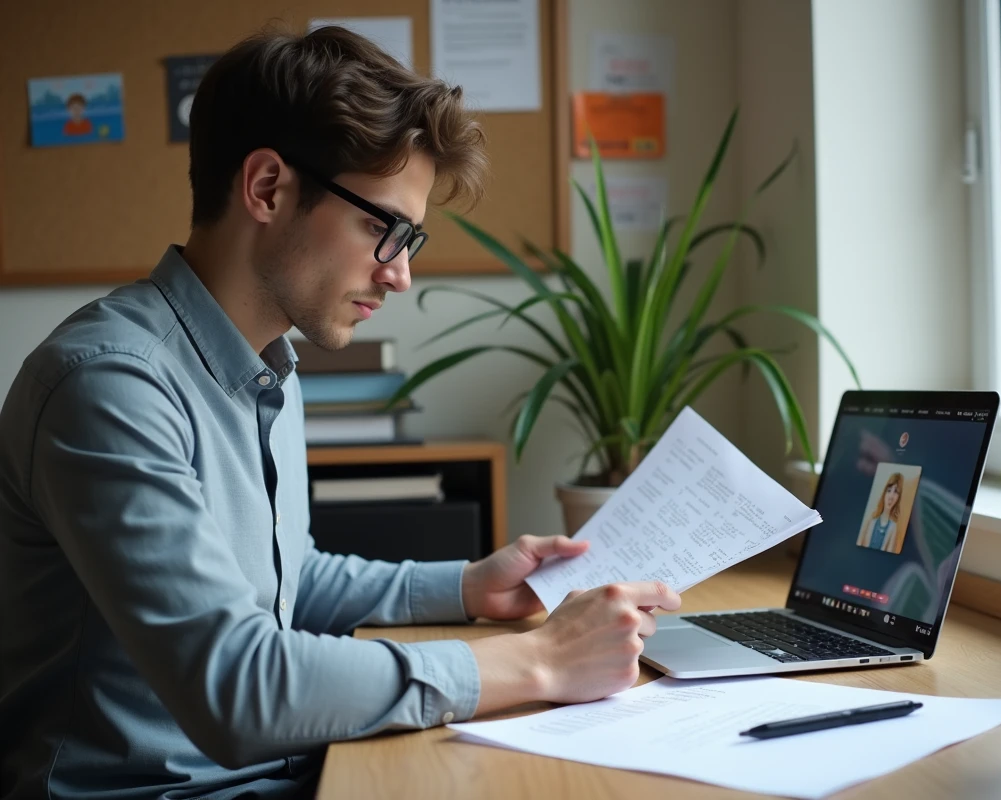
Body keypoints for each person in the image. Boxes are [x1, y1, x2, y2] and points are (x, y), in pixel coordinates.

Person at [0, 25, 681, 800]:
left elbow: (286, 582)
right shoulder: (109, 388)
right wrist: (542, 661)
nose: (401, 276)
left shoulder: (269, 367)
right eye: (383, 226)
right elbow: (237, 687)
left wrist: (464, 588)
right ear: (266, 189)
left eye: (411, 237)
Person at [856, 472, 904, 553]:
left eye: (896, 492)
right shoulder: (871, 520)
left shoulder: (893, 527)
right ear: (884, 493)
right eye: (889, 490)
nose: (891, 497)